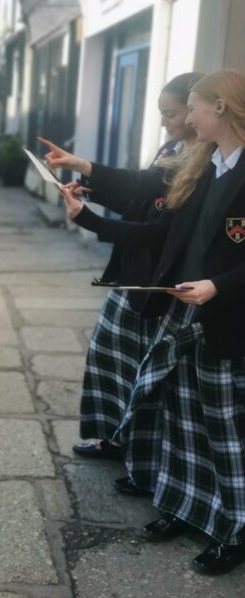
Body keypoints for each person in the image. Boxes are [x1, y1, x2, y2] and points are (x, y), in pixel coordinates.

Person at [60, 70, 245, 575]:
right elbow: (160, 231)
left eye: (193, 108)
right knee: (176, 422)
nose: (186, 119)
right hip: (180, 314)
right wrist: (86, 218)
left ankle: (231, 530)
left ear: (221, 108)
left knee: (221, 433)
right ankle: (183, 509)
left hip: (225, 324)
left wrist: (220, 287)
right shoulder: (204, 166)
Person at [40, 73, 203, 498]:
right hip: (130, 276)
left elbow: (158, 231)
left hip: (160, 286)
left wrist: (88, 215)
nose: (165, 122)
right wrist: (88, 191)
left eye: (170, 114)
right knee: (110, 360)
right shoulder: (172, 149)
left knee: (146, 378)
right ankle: (113, 438)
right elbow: (138, 199)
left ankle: (143, 464)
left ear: (197, 110)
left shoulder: (204, 163)